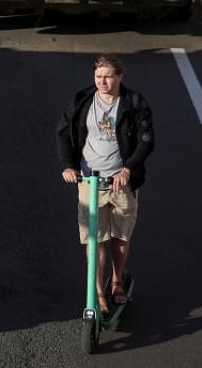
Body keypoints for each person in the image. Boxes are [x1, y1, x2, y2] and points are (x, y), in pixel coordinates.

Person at [56, 55, 155, 315]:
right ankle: (98, 292)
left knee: (120, 237)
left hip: (122, 182)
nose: (103, 82)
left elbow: (146, 140)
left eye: (109, 76)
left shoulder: (134, 103)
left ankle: (117, 280)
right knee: (94, 239)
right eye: (99, 76)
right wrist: (68, 166)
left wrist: (128, 169)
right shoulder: (83, 101)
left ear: (120, 77)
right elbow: (64, 133)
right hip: (90, 180)